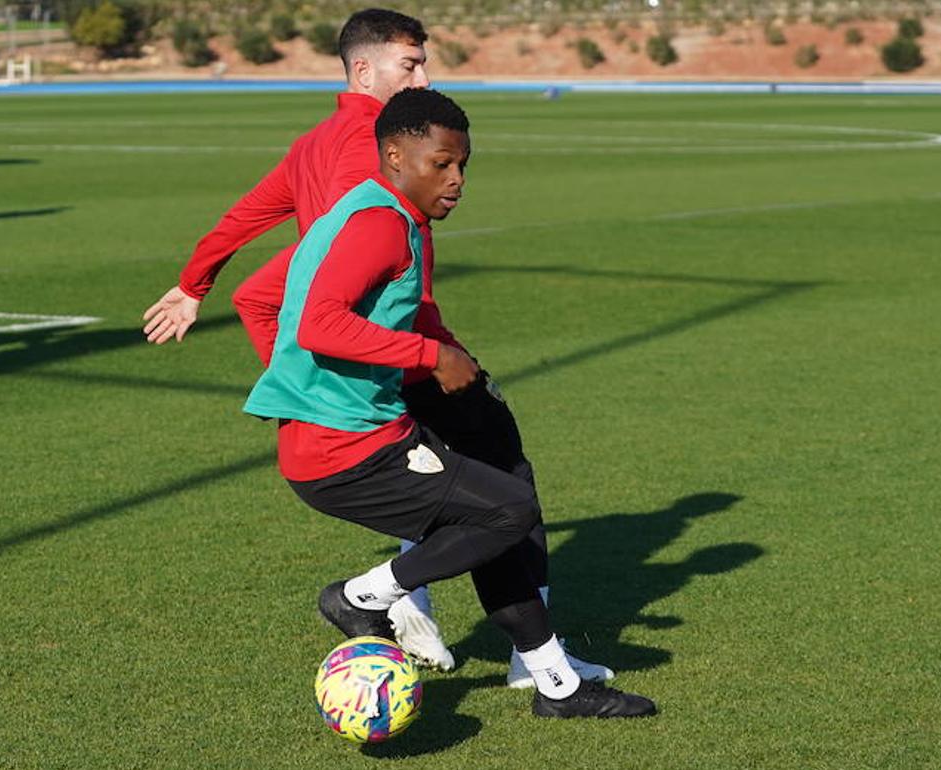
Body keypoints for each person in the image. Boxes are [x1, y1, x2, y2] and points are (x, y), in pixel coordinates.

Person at [143, 8, 613, 686]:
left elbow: (252, 234)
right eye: (410, 64)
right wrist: (402, 361)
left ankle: (489, 635)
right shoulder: (376, 154)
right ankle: (461, 625)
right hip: (399, 361)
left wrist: (195, 283)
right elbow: (328, 284)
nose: (424, 74)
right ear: (364, 70)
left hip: (381, 360)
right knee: (505, 488)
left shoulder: (314, 142)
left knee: (487, 492)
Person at [244, 88, 656, 719]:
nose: (457, 179)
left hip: (348, 438)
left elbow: (290, 302)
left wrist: (444, 354)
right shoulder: (381, 224)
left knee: (496, 506)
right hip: (346, 451)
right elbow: (318, 323)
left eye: (463, 165)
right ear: (395, 156)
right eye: (441, 163)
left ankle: (555, 685)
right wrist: (429, 357)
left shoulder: (377, 212)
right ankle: (363, 595)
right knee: (509, 509)